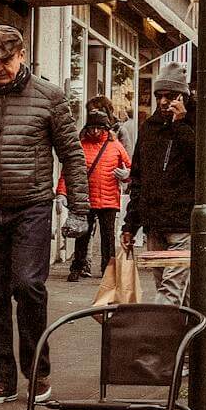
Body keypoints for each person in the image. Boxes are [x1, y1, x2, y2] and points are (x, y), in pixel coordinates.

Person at [0, 25, 90, 405]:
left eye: (4, 60)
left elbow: (72, 155)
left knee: (28, 286)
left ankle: (38, 372)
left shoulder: (50, 98)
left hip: (31, 206)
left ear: (21, 54)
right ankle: (1, 379)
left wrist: (79, 209)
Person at [122, 64, 199, 304]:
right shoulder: (149, 128)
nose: (164, 101)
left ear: (183, 97)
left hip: (183, 224)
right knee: (176, 293)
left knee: (169, 293)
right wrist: (130, 224)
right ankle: (186, 339)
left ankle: (156, 341)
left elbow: (201, 163)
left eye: (170, 96)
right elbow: (139, 177)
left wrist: (180, 124)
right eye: (159, 96)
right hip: (154, 224)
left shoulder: (196, 126)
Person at [61, 110, 131, 282]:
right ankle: (78, 266)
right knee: (82, 235)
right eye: (91, 128)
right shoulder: (81, 145)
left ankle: (109, 269)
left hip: (109, 199)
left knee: (108, 237)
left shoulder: (115, 146)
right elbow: (69, 172)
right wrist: (61, 192)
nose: (94, 132)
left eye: (99, 128)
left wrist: (126, 174)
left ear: (106, 129)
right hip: (87, 198)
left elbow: (131, 168)